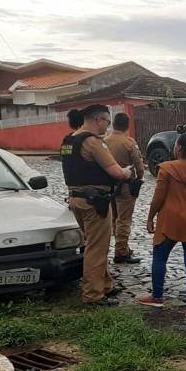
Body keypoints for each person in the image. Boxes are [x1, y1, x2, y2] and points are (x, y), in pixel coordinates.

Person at [61, 104, 135, 306]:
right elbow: (116, 172)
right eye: (107, 122)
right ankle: (93, 294)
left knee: (93, 244)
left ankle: (105, 284)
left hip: (76, 199)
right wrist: (127, 172)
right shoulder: (93, 142)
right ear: (98, 120)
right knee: (97, 248)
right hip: (95, 202)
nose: (107, 127)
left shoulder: (69, 139)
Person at [139, 133, 186, 317]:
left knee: (159, 258)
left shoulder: (166, 169)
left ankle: (157, 297)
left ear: (178, 148)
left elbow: (158, 198)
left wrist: (150, 218)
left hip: (170, 222)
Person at [104, 113, 145, 264]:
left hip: (108, 185)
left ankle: (122, 247)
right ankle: (121, 251)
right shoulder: (128, 142)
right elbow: (139, 165)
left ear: (113, 124)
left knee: (114, 217)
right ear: (127, 126)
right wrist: (139, 178)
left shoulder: (104, 141)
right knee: (124, 219)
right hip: (126, 184)